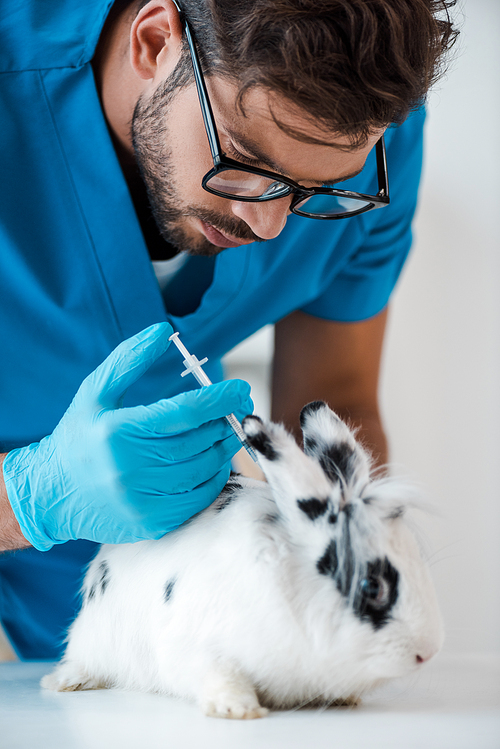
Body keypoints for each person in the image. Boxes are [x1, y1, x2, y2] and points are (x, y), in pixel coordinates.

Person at [0, 0, 457, 659]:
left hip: (138, 566)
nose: (270, 225)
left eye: (312, 190)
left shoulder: (367, 133)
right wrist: (28, 501)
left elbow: (335, 401)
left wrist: (341, 591)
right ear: (155, 42)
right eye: (246, 161)